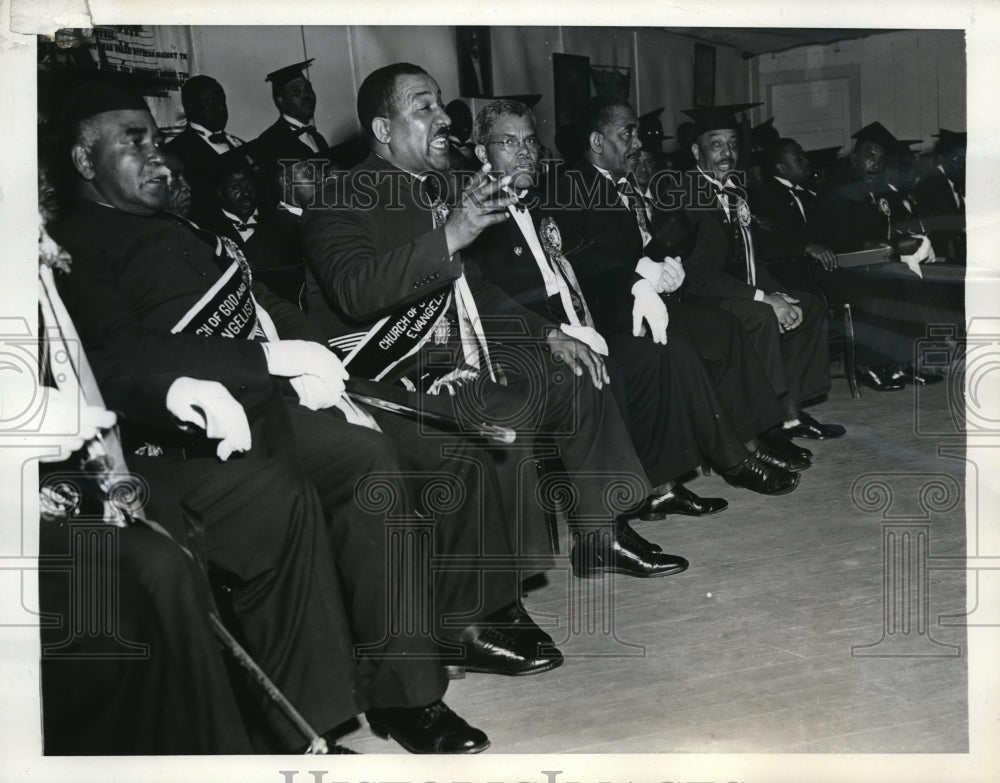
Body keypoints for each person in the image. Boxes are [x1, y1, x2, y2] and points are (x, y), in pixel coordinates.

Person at [50, 78, 510, 754]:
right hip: (177, 438)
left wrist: (316, 355)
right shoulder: (72, 248)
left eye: (157, 139)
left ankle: (408, 693)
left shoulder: (177, 224)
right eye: (135, 142)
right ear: (85, 162)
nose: (158, 155)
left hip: (264, 404)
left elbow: (259, 301)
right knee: (277, 495)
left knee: (366, 458)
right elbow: (119, 353)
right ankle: (305, 730)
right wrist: (266, 365)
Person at [300, 62, 689, 580]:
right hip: (393, 376)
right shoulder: (340, 198)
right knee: (505, 413)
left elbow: (474, 289)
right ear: (382, 131)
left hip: (465, 353)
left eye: (440, 103)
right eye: (425, 107)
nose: (443, 117)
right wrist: (451, 235)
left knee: (579, 372)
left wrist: (549, 333)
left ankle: (602, 534)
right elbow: (355, 292)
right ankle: (496, 594)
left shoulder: (434, 189)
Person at [518, 96, 807, 504]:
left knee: (723, 328)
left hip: (644, 299)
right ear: (598, 141)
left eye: (636, 132)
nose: (637, 142)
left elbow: (638, 246)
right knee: (680, 347)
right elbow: (580, 263)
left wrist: (667, 265)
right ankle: (733, 460)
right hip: (609, 310)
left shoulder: (621, 183)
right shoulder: (572, 186)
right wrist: (641, 275)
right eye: (627, 133)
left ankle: (754, 438)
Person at [675, 104, 845, 441]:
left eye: (733, 144)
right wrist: (764, 298)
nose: (727, 153)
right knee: (762, 315)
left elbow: (752, 259)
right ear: (697, 150)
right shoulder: (687, 194)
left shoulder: (734, 191)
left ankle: (791, 414)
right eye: (716, 144)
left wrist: (778, 293)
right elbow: (701, 277)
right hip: (698, 300)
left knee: (806, 305)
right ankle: (764, 427)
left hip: (731, 290)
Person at [751, 137, 946, 392]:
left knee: (899, 281)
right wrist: (806, 247)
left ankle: (900, 361)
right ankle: (867, 365)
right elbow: (766, 242)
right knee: (873, 290)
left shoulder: (809, 191)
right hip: (793, 272)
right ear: (781, 167)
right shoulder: (764, 197)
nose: (806, 162)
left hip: (825, 265)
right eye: (798, 158)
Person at [810, 122, 963, 389]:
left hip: (869, 262)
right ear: (855, 157)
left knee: (908, 280)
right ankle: (867, 365)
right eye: (870, 156)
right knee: (888, 285)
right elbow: (838, 236)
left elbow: (883, 230)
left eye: (881, 159)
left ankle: (903, 361)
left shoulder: (872, 191)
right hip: (837, 266)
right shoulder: (836, 189)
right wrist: (881, 243)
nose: (876, 164)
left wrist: (896, 242)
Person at [164, 75, 244, 223]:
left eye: (222, 100)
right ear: (190, 107)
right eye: (211, 101)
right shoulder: (175, 152)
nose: (220, 106)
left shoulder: (240, 144)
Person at [251, 59, 331, 168]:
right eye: (296, 91)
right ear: (281, 101)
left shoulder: (318, 138)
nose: (307, 94)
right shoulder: (268, 142)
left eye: (308, 87)